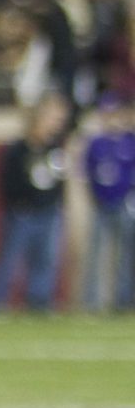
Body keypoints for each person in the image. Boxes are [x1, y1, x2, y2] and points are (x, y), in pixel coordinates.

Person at [0, 96, 71, 312]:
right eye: (53, 118)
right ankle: (0, 303)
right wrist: (19, 204)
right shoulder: (18, 149)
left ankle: (39, 305)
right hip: (22, 213)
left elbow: (59, 180)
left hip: (48, 211)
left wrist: (56, 203)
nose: (57, 123)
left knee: (46, 262)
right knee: (10, 261)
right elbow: (7, 181)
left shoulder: (55, 148)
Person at [80, 98, 135, 312]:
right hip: (101, 204)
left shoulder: (130, 141)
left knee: (125, 256)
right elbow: (86, 174)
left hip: (124, 204)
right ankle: (90, 301)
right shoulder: (95, 143)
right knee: (95, 254)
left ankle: (123, 300)